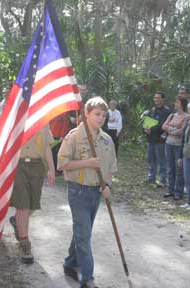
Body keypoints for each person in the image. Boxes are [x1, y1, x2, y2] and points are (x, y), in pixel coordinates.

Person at [58, 97, 117, 288]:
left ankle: (70, 263)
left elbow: (109, 168)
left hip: (96, 193)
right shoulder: (74, 136)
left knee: (82, 231)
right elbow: (62, 164)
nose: (101, 118)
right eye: (97, 114)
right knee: (84, 234)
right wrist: (87, 163)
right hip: (78, 191)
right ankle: (87, 278)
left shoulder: (107, 140)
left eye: (104, 115)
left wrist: (107, 185)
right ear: (87, 114)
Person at [9, 125, 55, 263]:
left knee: (33, 205)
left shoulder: (43, 122)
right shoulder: (15, 120)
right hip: (19, 166)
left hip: (37, 166)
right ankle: (25, 244)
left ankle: (17, 221)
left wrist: (51, 169)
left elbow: (47, 147)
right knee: (22, 206)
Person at [162, 96, 188, 199]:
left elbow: (181, 131)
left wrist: (170, 129)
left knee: (179, 169)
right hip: (169, 144)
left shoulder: (186, 117)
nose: (175, 104)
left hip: (179, 145)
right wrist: (175, 128)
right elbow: (163, 127)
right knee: (170, 167)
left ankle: (178, 192)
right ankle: (170, 190)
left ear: (182, 104)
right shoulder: (172, 115)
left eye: (177, 102)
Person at [144, 92, 171, 186]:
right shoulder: (152, 110)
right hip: (151, 139)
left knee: (161, 160)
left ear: (163, 99)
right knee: (151, 159)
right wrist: (145, 129)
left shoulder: (166, 111)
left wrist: (151, 130)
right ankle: (151, 177)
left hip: (160, 140)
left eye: (158, 98)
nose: (156, 99)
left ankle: (163, 180)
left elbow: (162, 125)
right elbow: (148, 121)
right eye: (154, 97)